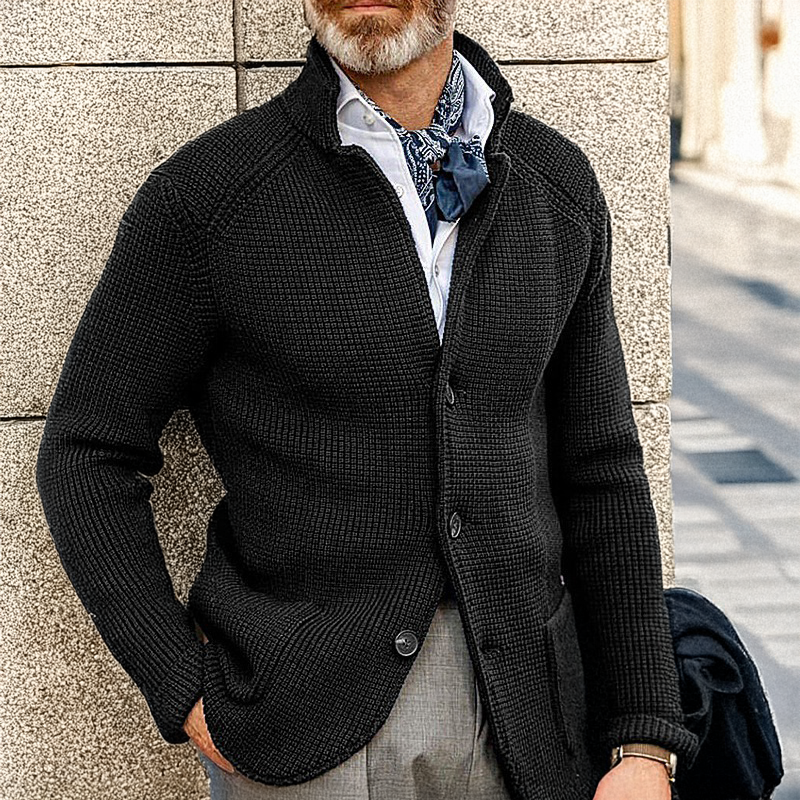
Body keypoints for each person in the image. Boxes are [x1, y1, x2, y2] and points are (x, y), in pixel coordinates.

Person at [35, 0, 699, 798]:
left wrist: (643, 737)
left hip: (534, 720)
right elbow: (86, 449)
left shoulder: (555, 184)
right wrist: (178, 683)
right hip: (302, 727)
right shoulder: (210, 197)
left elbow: (602, 469)